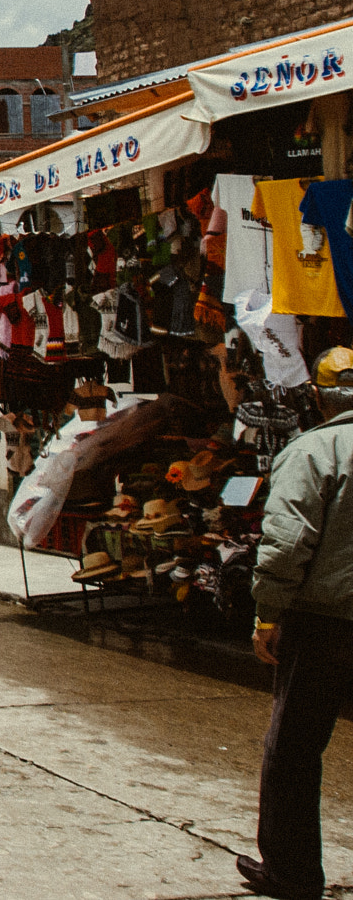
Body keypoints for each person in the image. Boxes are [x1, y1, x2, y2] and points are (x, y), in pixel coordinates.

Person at [238, 359, 353, 900]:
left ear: (319, 397)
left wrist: (268, 614)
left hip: (325, 624)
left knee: (295, 748)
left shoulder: (313, 452)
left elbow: (285, 544)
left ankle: (291, 871)